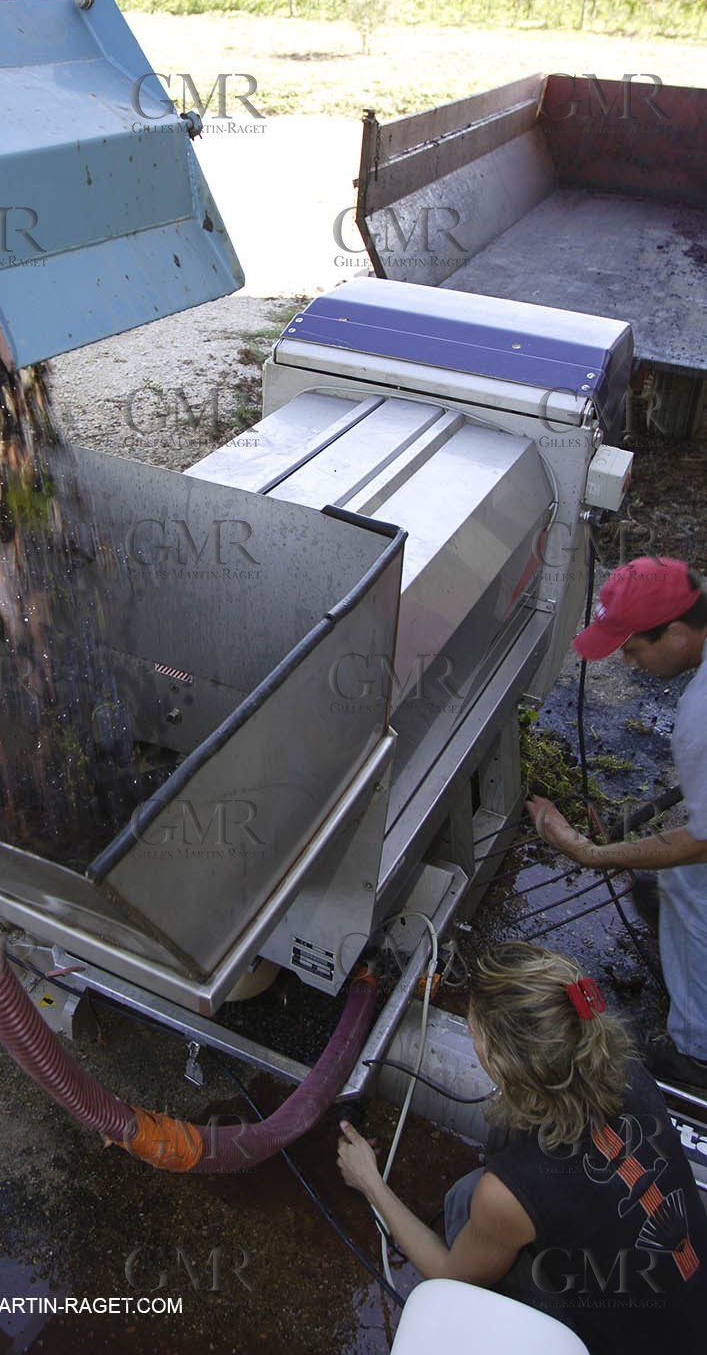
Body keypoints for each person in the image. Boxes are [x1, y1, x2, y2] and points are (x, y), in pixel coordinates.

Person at [336, 941, 707, 1352]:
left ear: (500, 1062)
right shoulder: (628, 1071)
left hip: (624, 1343)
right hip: (690, 1303)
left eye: (474, 1031)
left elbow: (447, 1278)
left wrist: (370, 1182)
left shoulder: (508, 1194)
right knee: (477, 1197)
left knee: (466, 1204)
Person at [526, 556, 707, 1088]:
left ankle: (696, 1054)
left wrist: (587, 851)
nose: (626, 662)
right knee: (681, 882)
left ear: (677, 633)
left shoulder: (701, 718)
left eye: (632, 648)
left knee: (695, 888)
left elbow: (702, 842)